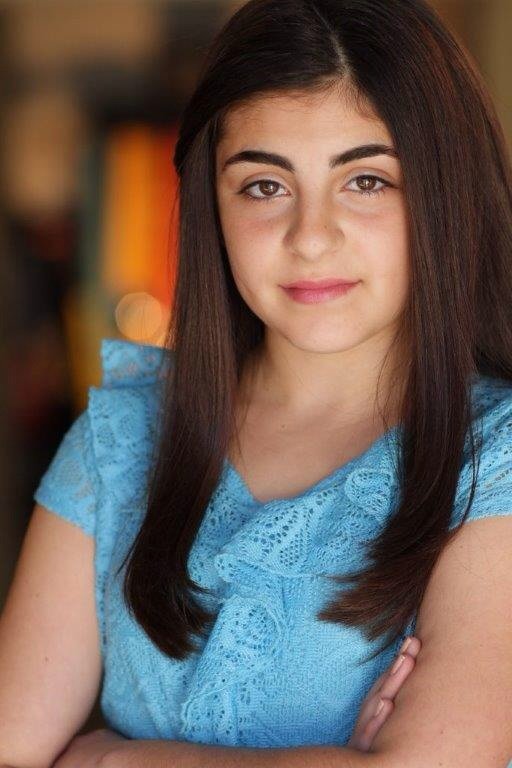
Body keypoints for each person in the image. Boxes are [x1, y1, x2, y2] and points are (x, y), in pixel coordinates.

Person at [1, 0, 512, 766]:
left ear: (447, 193)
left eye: (366, 180)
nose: (312, 237)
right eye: (265, 186)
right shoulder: (123, 437)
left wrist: (116, 759)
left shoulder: (495, 459)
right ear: (212, 204)